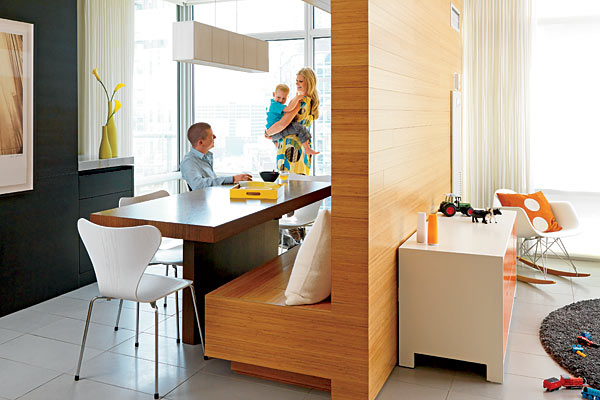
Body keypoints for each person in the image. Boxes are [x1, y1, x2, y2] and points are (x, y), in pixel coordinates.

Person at [266, 67, 320, 175]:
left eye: (301, 81)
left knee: (289, 187)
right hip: (303, 149)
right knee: (302, 186)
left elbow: (282, 124)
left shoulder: (300, 101)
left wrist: (268, 133)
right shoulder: (311, 101)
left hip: (291, 148)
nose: (297, 84)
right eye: (296, 81)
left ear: (309, 83)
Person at [181, 122, 252, 190]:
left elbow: (212, 182)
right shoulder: (189, 162)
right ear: (200, 142)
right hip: (201, 201)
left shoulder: (205, 158)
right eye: (211, 136)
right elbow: (198, 185)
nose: (215, 137)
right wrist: (233, 179)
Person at [264, 83, 319, 156]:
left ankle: (279, 149)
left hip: (275, 134)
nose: (280, 100)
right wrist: (297, 98)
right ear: (274, 94)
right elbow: (289, 109)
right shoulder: (275, 105)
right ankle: (307, 149)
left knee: (280, 147)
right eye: (278, 97)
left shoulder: (276, 105)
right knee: (300, 128)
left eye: (284, 98)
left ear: (287, 97)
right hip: (276, 132)